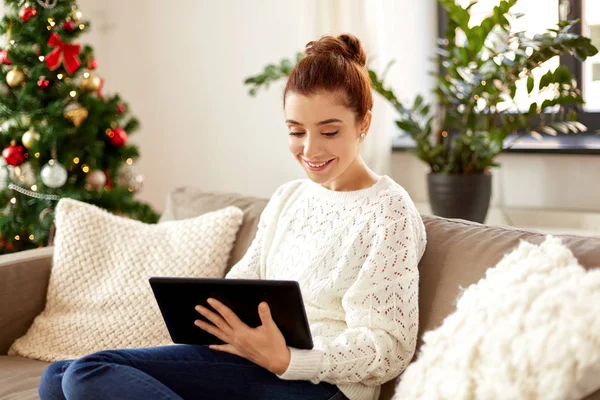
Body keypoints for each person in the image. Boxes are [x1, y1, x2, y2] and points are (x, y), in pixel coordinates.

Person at [39, 33, 427, 400]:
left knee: (86, 374)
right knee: (56, 376)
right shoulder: (289, 197)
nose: (310, 149)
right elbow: (244, 281)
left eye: (329, 132)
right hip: (251, 362)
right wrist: (226, 324)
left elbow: (388, 347)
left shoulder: (388, 212)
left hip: (320, 387)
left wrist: (290, 359)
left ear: (364, 124)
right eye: (296, 131)